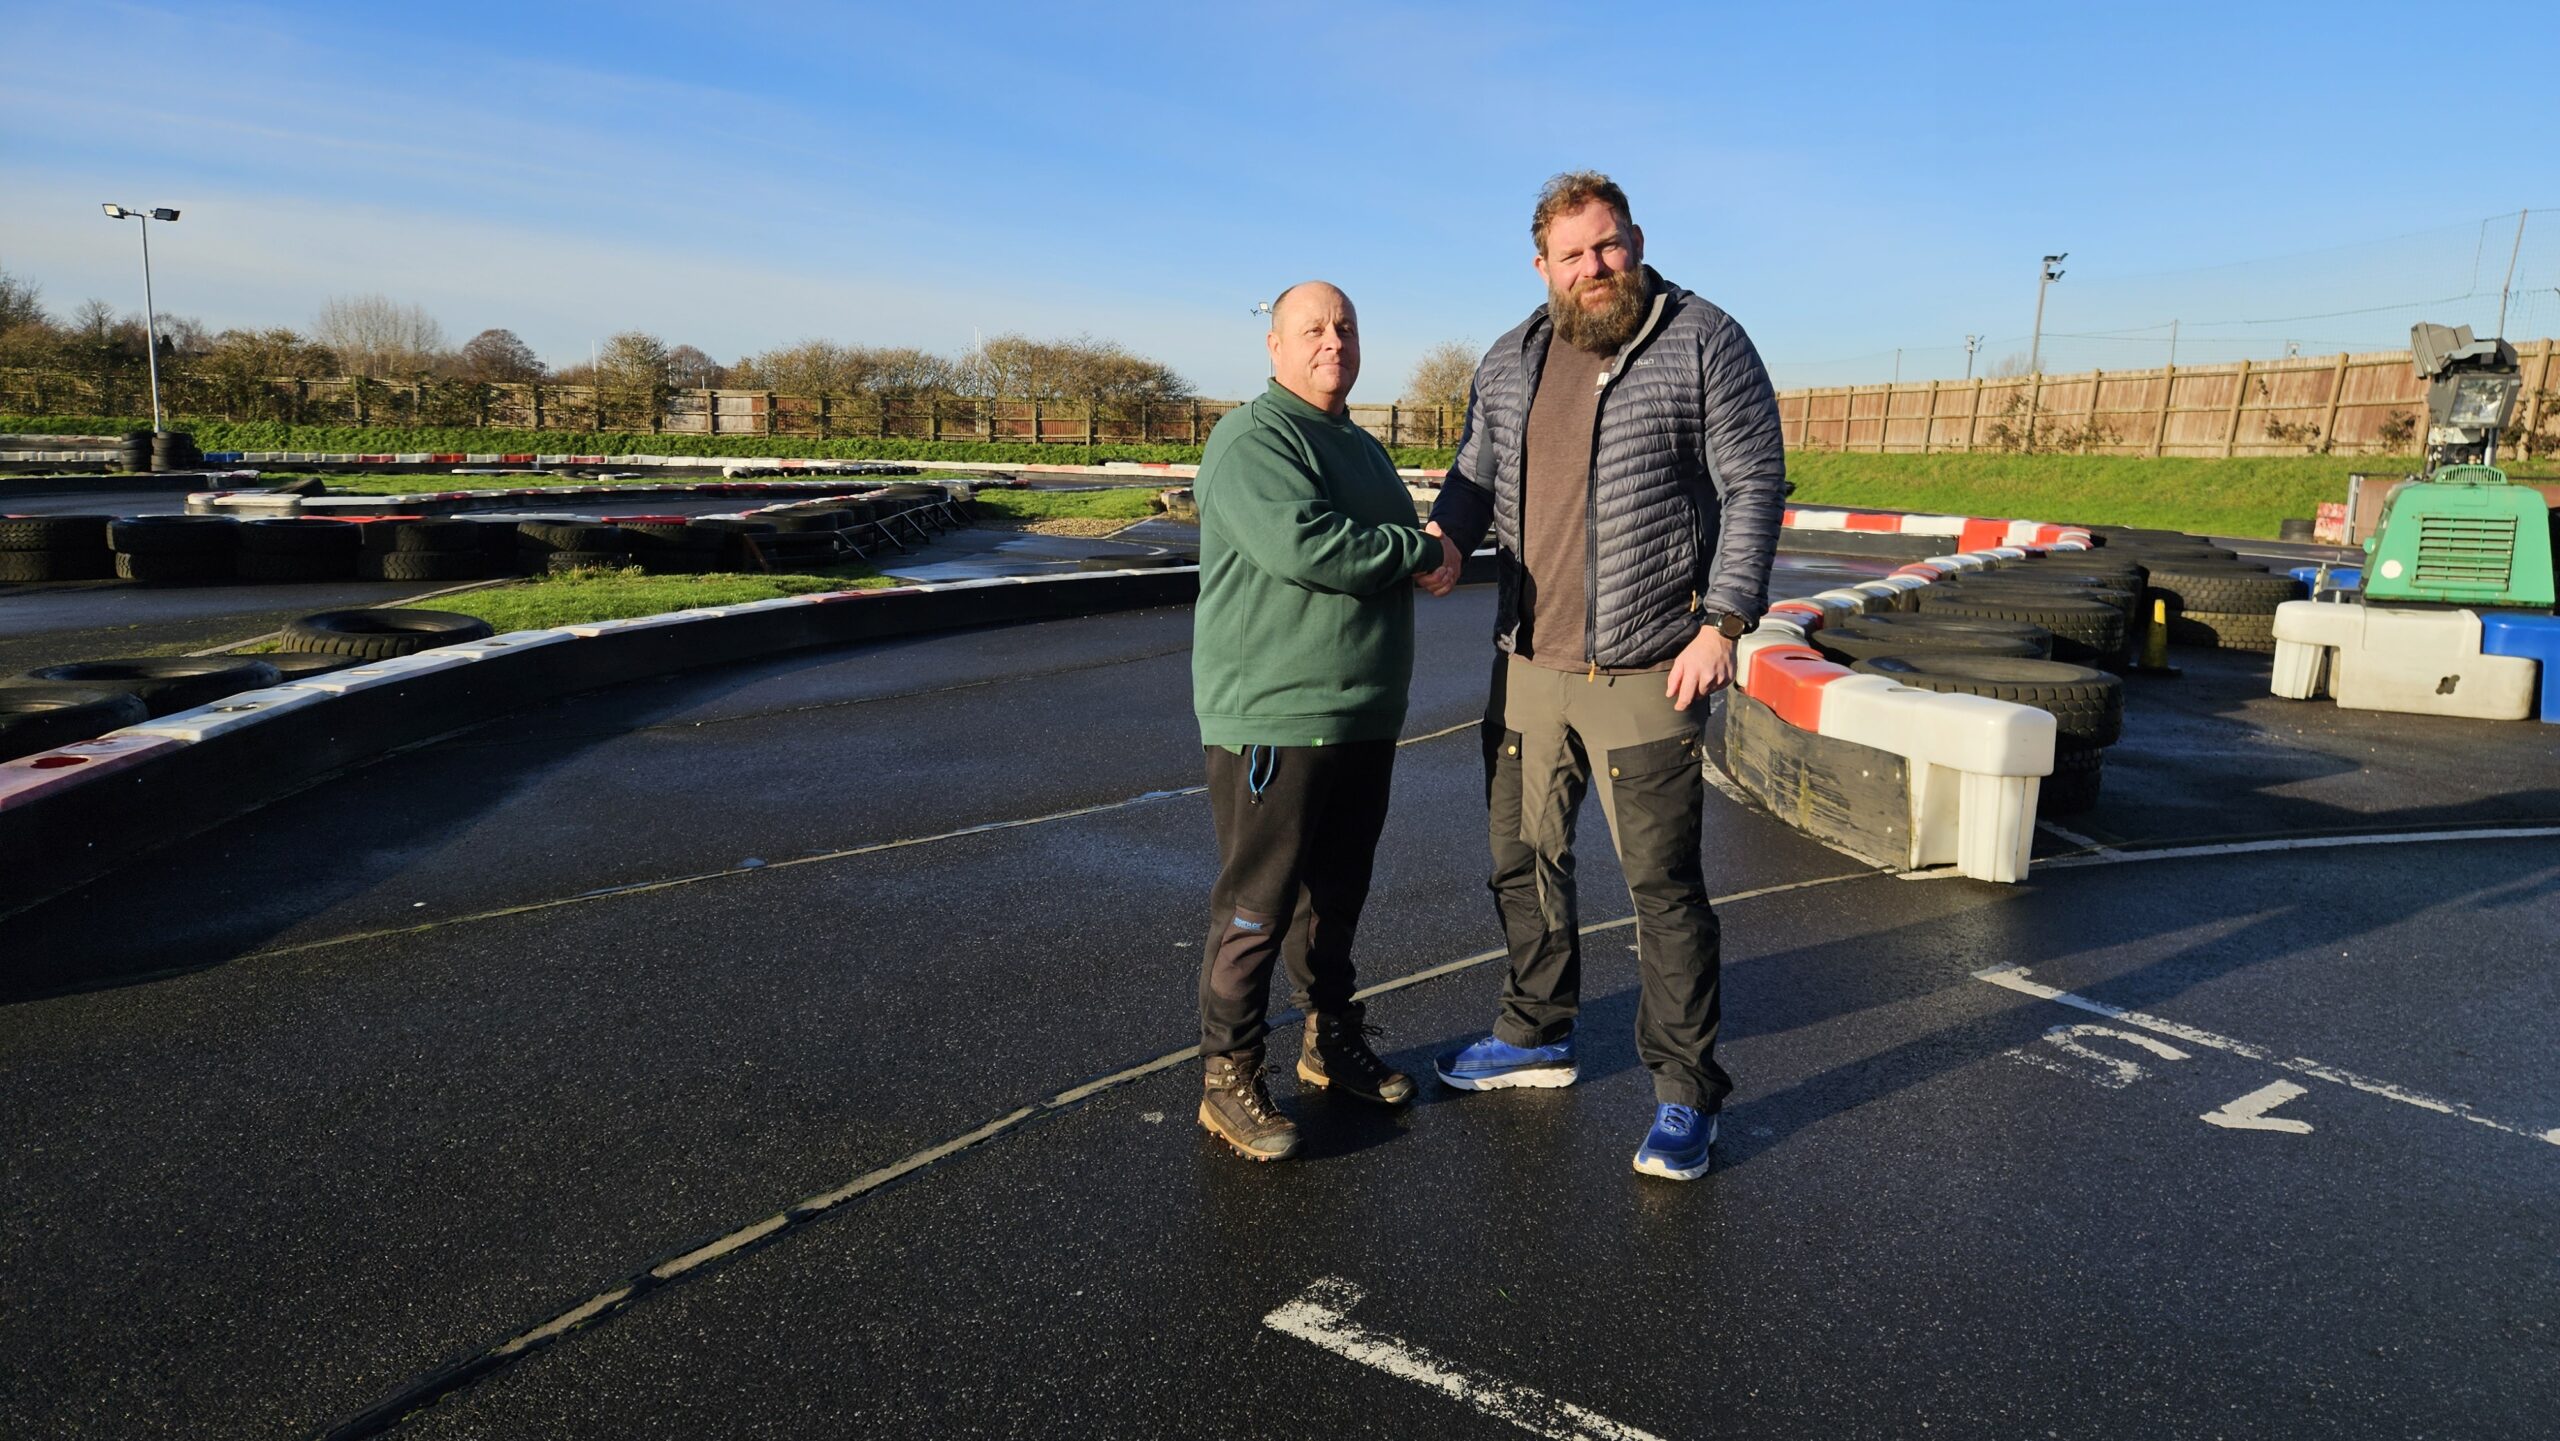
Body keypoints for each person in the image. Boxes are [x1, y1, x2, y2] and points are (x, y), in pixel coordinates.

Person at [1421, 172, 1787, 1181]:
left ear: (1635, 240)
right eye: (1573, 254)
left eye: (1609, 245)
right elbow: (1473, 473)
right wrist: (1446, 540)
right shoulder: (1510, 358)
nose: (1595, 267)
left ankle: (1683, 1092)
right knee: (1521, 858)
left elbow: (1754, 482)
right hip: (1527, 662)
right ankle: (1534, 1031)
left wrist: (1723, 623)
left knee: (1662, 886)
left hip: (1649, 665)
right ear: (1541, 266)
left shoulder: (1704, 338)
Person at [1192, 281, 1449, 1163]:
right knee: (1258, 904)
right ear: (1274, 347)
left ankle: (1329, 1038)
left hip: (1362, 713)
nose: (1331, 341)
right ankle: (1227, 1075)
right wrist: (1420, 548)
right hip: (1275, 714)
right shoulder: (1252, 438)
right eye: (1311, 329)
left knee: (1335, 896)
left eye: (1344, 327)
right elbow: (1310, 547)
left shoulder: (1364, 449)